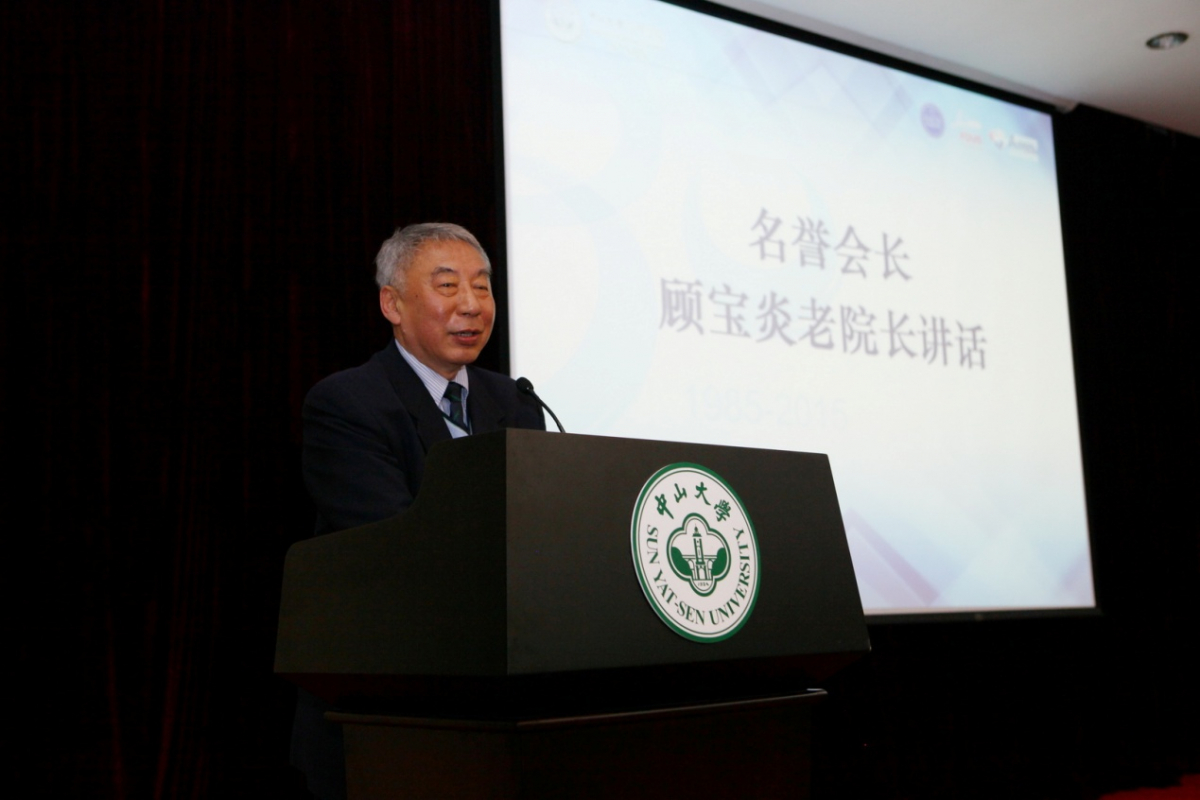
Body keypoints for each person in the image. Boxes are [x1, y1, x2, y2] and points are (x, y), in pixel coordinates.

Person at [290, 222, 546, 800]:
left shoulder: (515, 402)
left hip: (502, 709)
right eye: (448, 286)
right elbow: (395, 542)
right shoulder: (349, 403)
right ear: (393, 303)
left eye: (482, 288)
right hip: (383, 712)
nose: (472, 306)